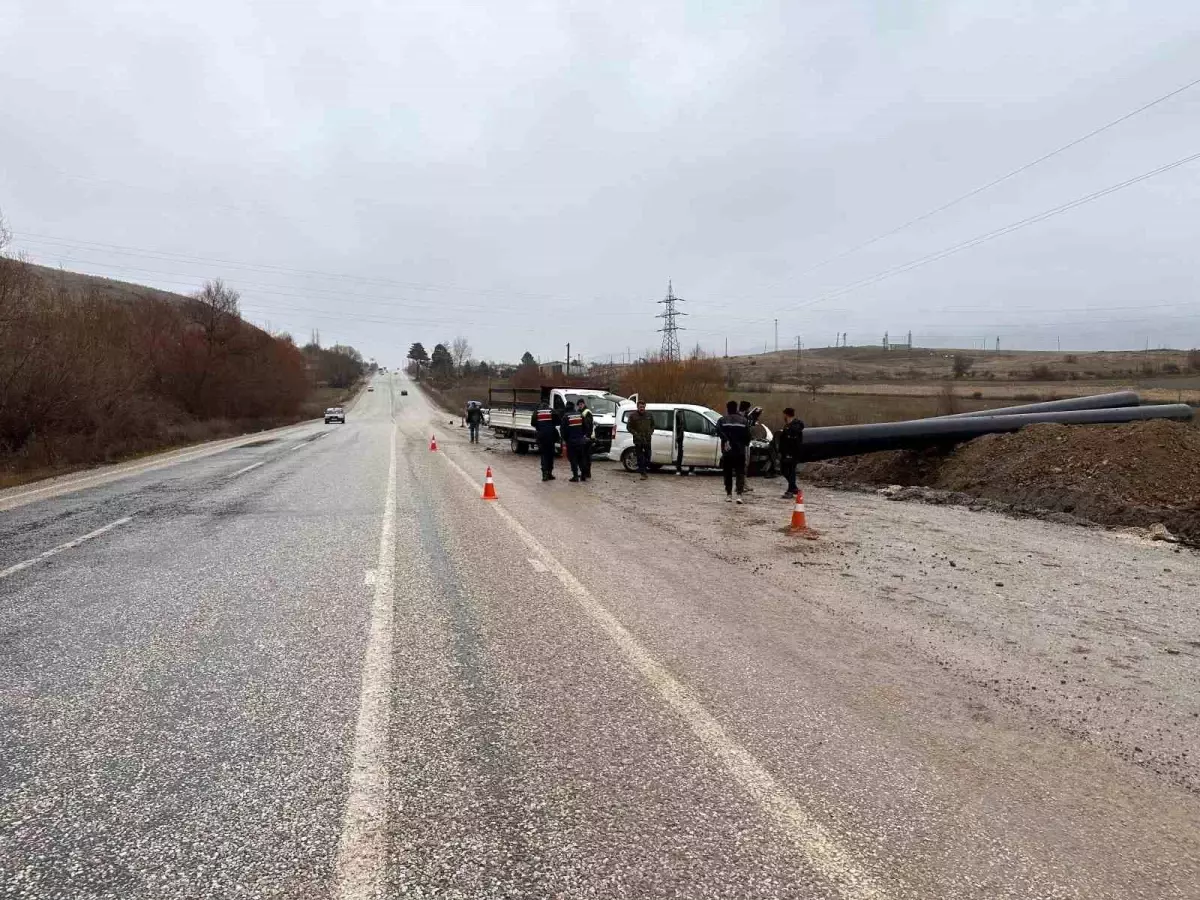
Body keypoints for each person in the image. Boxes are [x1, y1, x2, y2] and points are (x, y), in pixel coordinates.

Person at [717, 400, 752, 503]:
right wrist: (743, 444)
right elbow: (748, 436)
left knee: (727, 473)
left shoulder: (722, 420)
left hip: (727, 452)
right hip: (740, 451)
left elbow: (718, 431)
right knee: (740, 473)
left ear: (727, 409)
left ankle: (728, 495)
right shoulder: (743, 420)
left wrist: (726, 440)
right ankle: (739, 495)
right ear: (736, 408)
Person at [777, 407, 805, 498]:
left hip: (792, 452)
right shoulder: (787, 425)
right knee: (784, 470)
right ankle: (794, 488)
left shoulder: (795, 426)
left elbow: (793, 440)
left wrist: (790, 452)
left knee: (791, 470)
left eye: (783, 414)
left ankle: (790, 491)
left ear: (786, 414)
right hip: (786, 452)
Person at [625, 400, 655, 480]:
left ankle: (643, 469)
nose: (642, 408)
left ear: (645, 406)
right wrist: (635, 434)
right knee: (640, 457)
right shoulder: (633, 416)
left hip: (647, 439)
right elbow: (629, 427)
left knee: (648, 456)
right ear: (637, 407)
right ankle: (643, 473)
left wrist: (650, 432)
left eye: (643, 407)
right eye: (640, 407)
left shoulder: (649, 415)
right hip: (638, 440)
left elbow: (653, 425)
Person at [531, 400, 559, 481]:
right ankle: (549, 473)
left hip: (541, 436)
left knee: (544, 455)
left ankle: (544, 474)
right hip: (551, 436)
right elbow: (558, 421)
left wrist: (540, 427)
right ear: (548, 404)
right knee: (550, 454)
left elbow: (532, 423)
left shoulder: (537, 412)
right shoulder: (552, 411)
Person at [560, 403, 589, 482]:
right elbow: (586, 427)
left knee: (573, 459)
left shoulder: (566, 417)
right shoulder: (580, 415)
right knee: (581, 458)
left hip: (571, 442)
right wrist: (581, 435)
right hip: (581, 441)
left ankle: (575, 476)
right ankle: (583, 476)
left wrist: (566, 439)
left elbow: (563, 431)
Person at [738, 401, 757, 492]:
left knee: (745, 464)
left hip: (745, 443)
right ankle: (741, 485)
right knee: (743, 463)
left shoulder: (746, 417)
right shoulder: (740, 417)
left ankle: (742, 484)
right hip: (741, 444)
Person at [576, 398, 594, 481]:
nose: (580, 406)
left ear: (583, 404)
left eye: (580, 404)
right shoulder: (580, 412)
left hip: (587, 437)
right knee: (584, 455)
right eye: (579, 405)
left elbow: (588, 425)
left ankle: (587, 473)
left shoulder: (587, 412)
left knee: (586, 455)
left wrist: (587, 435)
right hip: (583, 436)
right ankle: (585, 472)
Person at [674, 408, 689, 476]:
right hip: (680, 437)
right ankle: (678, 468)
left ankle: (679, 467)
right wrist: (678, 437)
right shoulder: (679, 415)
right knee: (680, 453)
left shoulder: (681, 416)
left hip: (681, 437)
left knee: (680, 453)